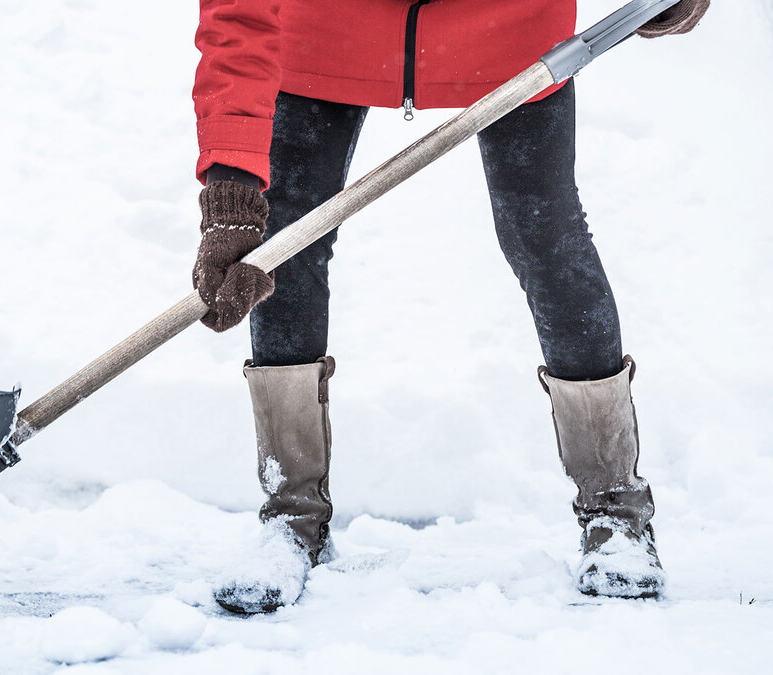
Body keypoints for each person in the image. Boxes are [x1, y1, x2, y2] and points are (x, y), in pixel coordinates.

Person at [190, 0, 710, 614]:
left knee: (546, 238)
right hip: (321, 39)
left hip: (511, 32)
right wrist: (232, 183)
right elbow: (239, 13)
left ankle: (615, 510)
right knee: (286, 247)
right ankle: (290, 516)